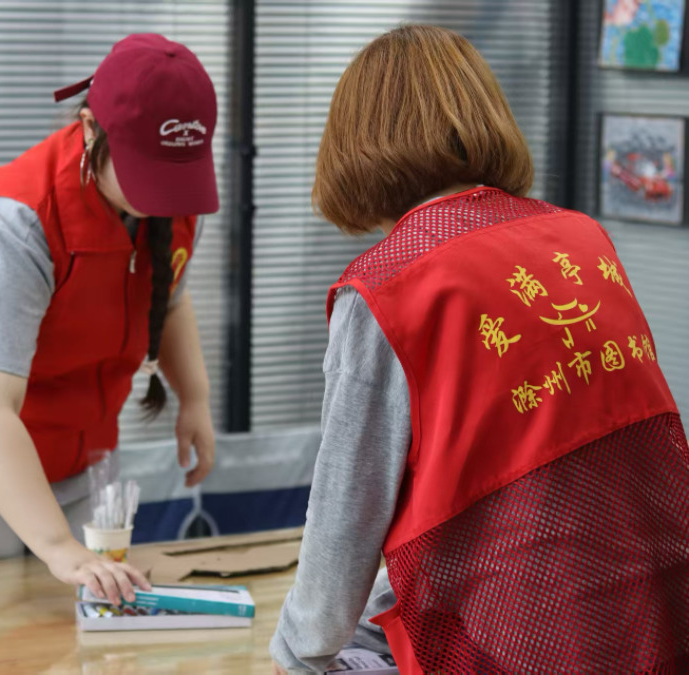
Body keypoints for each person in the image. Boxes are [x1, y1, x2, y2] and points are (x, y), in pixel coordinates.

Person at [271, 25, 689, 674]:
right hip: (657, 628)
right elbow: (524, 504)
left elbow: (344, 525)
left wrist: (296, 652)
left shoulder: (389, 287)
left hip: (518, 649)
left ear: (353, 147)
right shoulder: (582, 240)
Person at [0, 33, 218, 606]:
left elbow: (171, 297)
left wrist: (196, 398)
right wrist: (59, 546)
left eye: (174, 176)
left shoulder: (181, 199)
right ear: (90, 129)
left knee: (77, 624)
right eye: (147, 173)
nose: (164, 197)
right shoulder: (14, 222)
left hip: (78, 449)